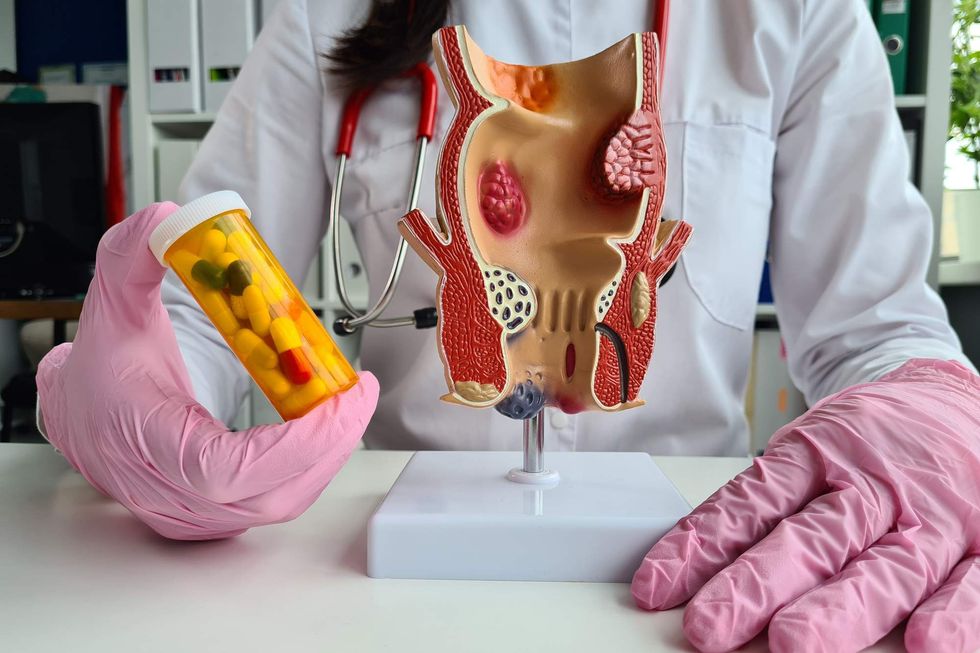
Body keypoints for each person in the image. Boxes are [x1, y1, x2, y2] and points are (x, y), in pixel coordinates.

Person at [36, 1, 980, 652]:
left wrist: (934, 407)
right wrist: (140, 397)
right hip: (391, 588)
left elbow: (876, 328)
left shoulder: (794, 12)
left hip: (694, 574)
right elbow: (204, 310)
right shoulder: (327, 14)